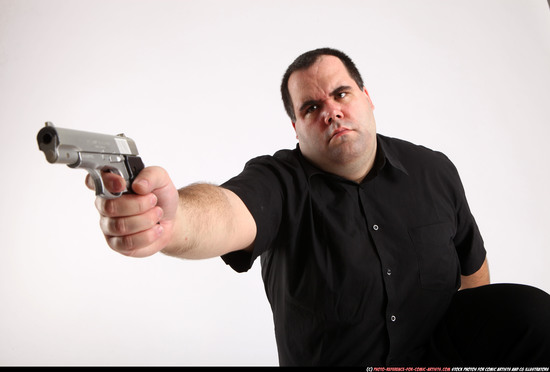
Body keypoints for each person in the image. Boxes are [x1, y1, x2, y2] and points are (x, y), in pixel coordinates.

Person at [87, 48, 550, 366]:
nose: (331, 110)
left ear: (367, 100)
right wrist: (171, 219)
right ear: (296, 127)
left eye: (342, 94)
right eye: (311, 107)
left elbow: (473, 272)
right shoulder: (281, 181)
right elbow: (226, 211)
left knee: (530, 313)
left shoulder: (433, 170)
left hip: (431, 362)